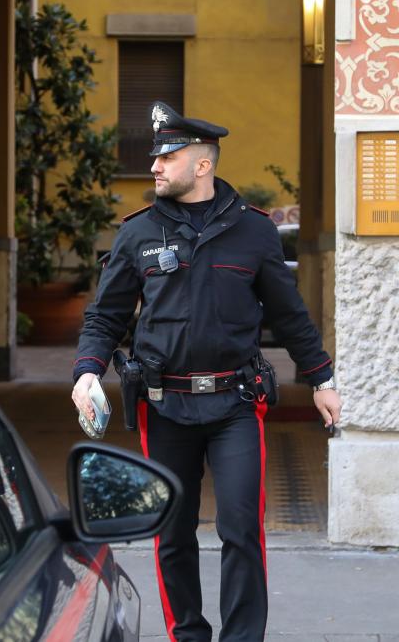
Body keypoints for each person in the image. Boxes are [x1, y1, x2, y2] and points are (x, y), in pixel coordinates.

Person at [71, 101, 342, 641]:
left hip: (234, 404)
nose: (154, 167)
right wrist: (86, 371)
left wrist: (322, 379)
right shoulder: (137, 233)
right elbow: (106, 315)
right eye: (154, 157)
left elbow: (289, 315)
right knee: (172, 533)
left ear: (202, 164)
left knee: (242, 528)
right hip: (164, 405)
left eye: (166, 157)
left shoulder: (254, 233)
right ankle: (188, 636)